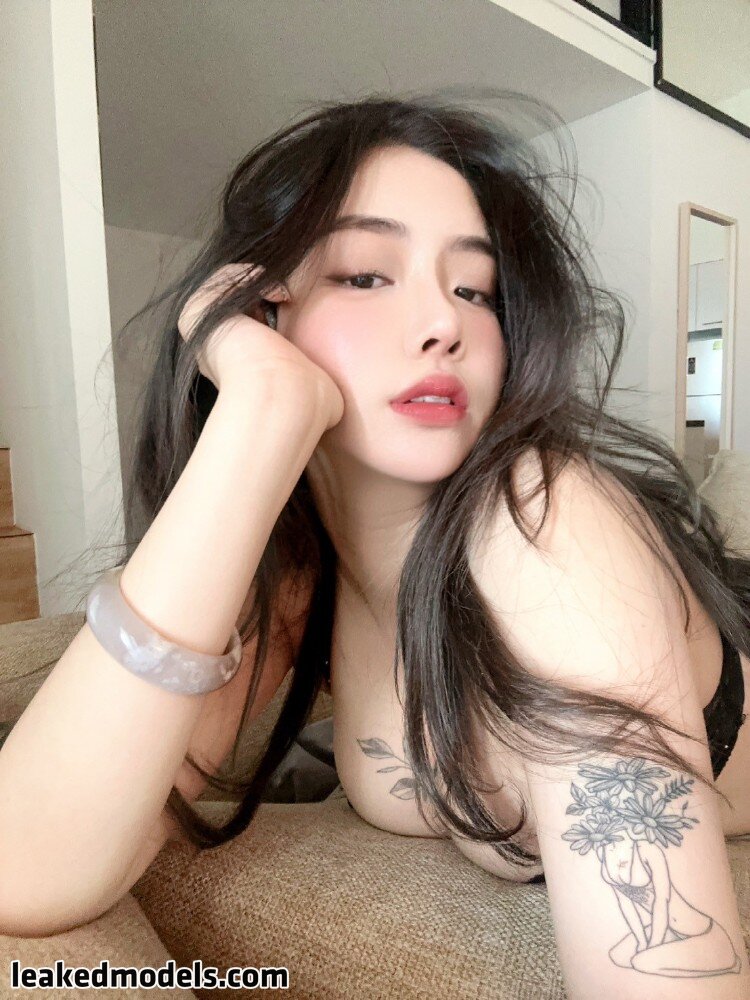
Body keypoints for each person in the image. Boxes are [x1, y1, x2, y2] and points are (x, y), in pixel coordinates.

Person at [1, 90, 748, 992]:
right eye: (364, 275)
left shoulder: (544, 521)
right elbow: (26, 868)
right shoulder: (296, 572)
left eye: (475, 290)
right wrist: (263, 411)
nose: (446, 323)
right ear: (260, 311)